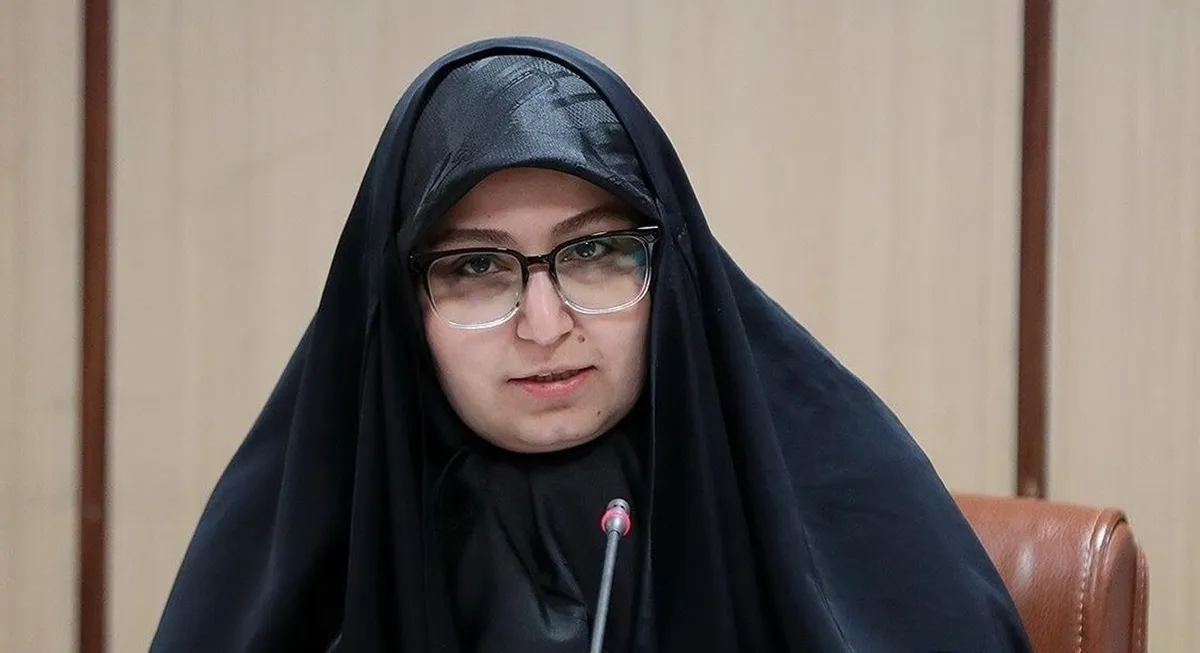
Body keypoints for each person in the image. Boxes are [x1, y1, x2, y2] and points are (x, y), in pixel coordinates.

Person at [148, 37, 1034, 652]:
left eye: (595, 252)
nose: (544, 324)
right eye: (476, 266)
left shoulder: (843, 511)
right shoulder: (303, 555)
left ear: (672, 267)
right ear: (399, 301)